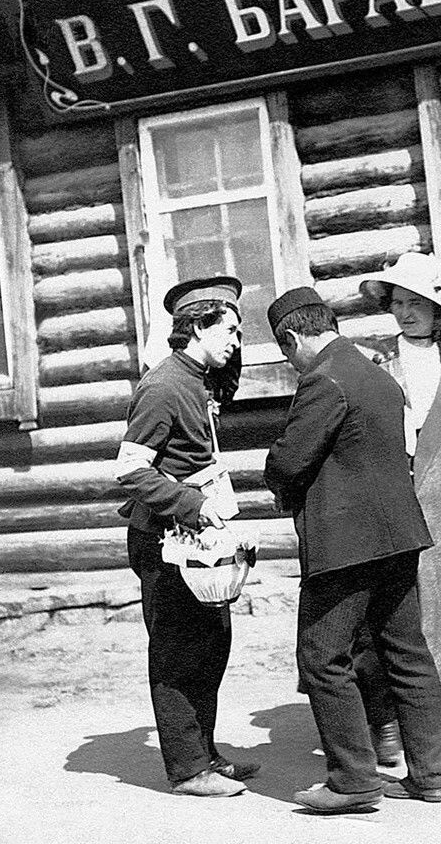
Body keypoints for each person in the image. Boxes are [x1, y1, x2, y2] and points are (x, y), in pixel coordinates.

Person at [263, 286, 441, 813]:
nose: (291, 364)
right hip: (399, 537)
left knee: (323, 657)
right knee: (407, 654)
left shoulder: (323, 379)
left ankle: (352, 782)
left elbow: (289, 461)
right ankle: (434, 777)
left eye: (286, 353)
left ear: (293, 338)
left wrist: (275, 475)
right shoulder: (377, 375)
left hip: (346, 543)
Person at [114, 276, 259, 798]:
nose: (237, 341)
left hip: (196, 540)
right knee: (177, 652)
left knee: (212, 645)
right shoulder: (163, 386)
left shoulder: (199, 381)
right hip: (163, 541)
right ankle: (187, 769)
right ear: (197, 327)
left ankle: (206, 753)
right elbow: (130, 470)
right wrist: (194, 505)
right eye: (230, 330)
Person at [356, 252, 441, 763]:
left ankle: (431, 719)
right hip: (387, 502)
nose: (406, 312)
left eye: (416, 303)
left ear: (437, 310)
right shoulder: (375, 361)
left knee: (434, 610)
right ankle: (386, 722)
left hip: (435, 507)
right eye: (398, 303)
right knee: (384, 611)